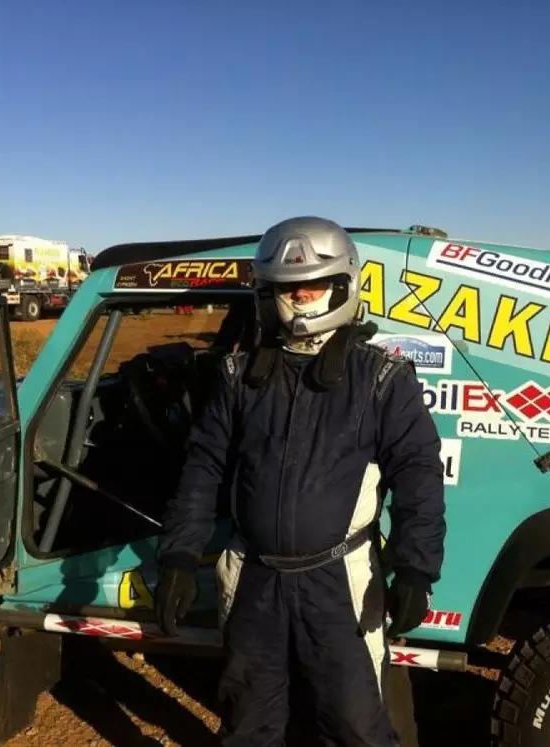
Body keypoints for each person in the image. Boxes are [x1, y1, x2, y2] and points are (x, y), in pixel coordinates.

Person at [154, 216, 447, 746]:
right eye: (288, 288)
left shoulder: (382, 378)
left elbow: (419, 477)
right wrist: (178, 556)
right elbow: (203, 468)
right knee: (249, 726)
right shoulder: (238, 376)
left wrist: (415, 569)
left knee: (356, 727)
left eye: (313, 285)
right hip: (253, 579)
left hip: (339, 582)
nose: (301, 298)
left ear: (343, 284)